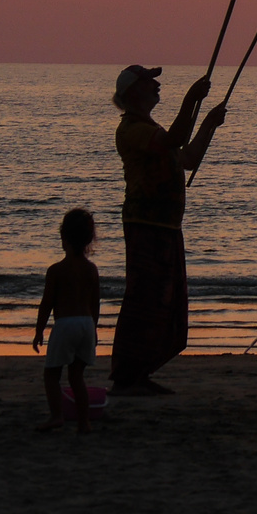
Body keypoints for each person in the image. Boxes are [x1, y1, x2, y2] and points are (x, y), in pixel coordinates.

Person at [108, 64, 227, 397]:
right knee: (143, 299)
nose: (157, 84)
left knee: (165, 301)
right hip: (146, 225)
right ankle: (126, 376)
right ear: (134, 91)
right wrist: (191, 99)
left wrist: (207, 123)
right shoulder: (132, 129)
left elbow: (188, 157)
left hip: (166, 226)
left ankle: (140, 372)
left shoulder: (150, 127)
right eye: (150, 81)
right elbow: (175, 140)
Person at [33, 208, 101, 433]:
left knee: (51, 374)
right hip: (86, 324)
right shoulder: (92, 269)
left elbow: (47, 304)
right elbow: (95, 303)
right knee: (76, 376)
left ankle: (56, 416)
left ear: (64, 238)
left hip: (65, 325)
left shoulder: (57, 270)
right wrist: (95, 328)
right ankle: (84, 422)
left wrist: (39, 331)